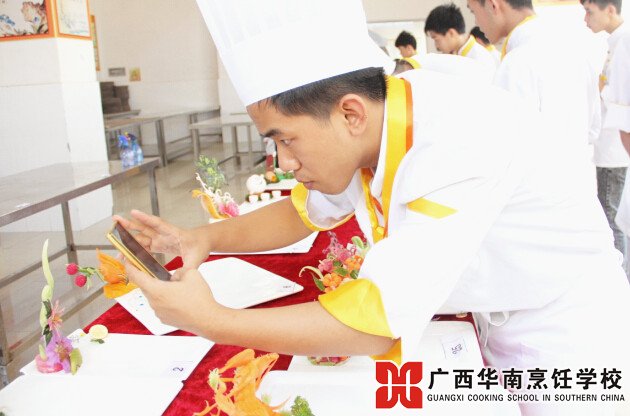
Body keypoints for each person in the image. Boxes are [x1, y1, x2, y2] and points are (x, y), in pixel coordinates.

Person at [117, 0, 629, 413]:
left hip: (563, 328)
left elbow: (373, 321)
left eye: (287, 140)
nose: (285, 163)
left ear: (350, 113)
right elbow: (300, 211)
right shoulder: (378, 124)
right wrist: (200, 238)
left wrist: (213, 320)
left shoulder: (454, 139)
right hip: (496, 311)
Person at [467, 0, 601, 161]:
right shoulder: (576, 51)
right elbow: (594, 130)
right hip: (576, 170)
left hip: (535, 174)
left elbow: (505, 145)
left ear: (493, 5)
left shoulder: (516, 63)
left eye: (473, 12)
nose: (476, 22)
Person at [581, 0, 630, 272]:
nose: (586, 19)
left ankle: (621, 278)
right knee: (612, 215)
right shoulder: (615, 43)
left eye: (590, 12)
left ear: (610, 9)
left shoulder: (625, 43)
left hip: (615, 150)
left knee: (614, 219)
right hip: (610, 147)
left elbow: (618, 100)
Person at [424, 3, 496, 73]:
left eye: (436, 39)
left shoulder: (479, 59)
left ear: (451, 33)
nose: (436, 46)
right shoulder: (457, 54)